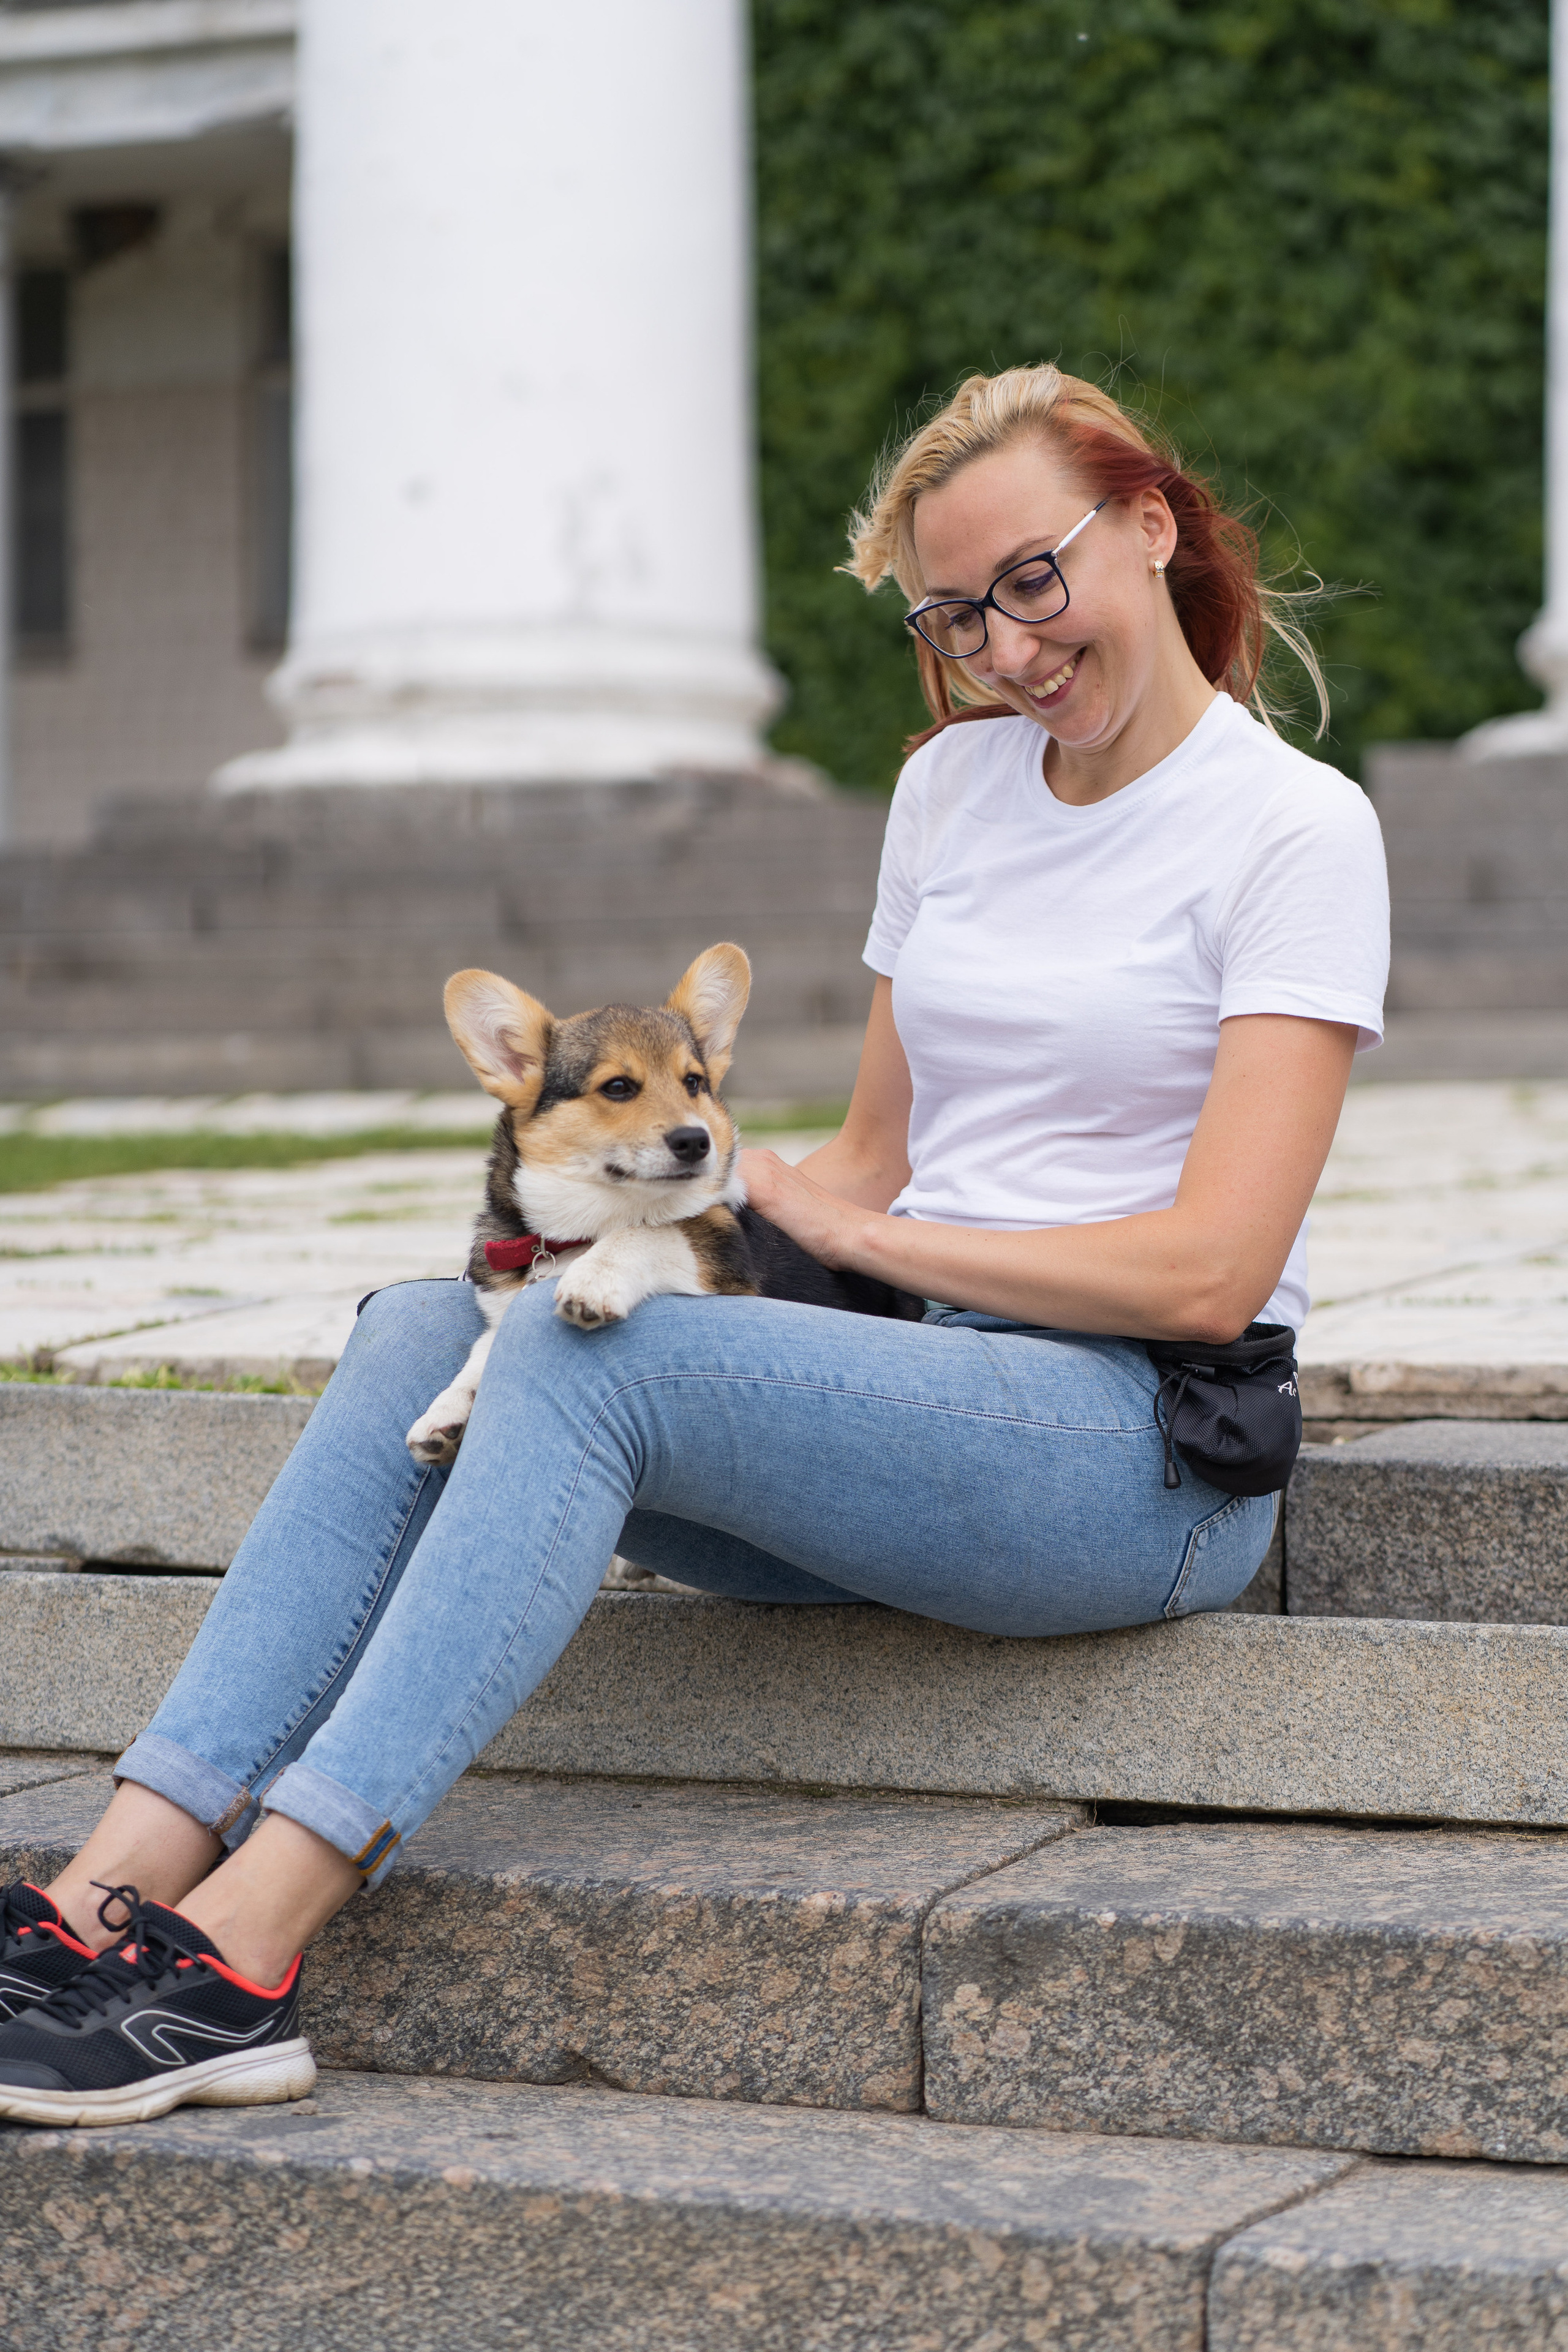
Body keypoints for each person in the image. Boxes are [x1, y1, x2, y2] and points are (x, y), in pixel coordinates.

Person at [0, 363, 1387, 2124]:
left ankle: (247, 1956)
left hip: (1146, 1457)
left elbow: (1207, 1269)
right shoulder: (956, 795)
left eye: (1031, 583)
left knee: (599, 1354)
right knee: (431, 1323)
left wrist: (841, 1224)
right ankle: (94, 1899)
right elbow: (876, 1159)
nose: (1006, 652)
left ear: (1146, 525)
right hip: (916, 1403)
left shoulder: (1295, 830)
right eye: (956, 619)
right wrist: (710, 1196)